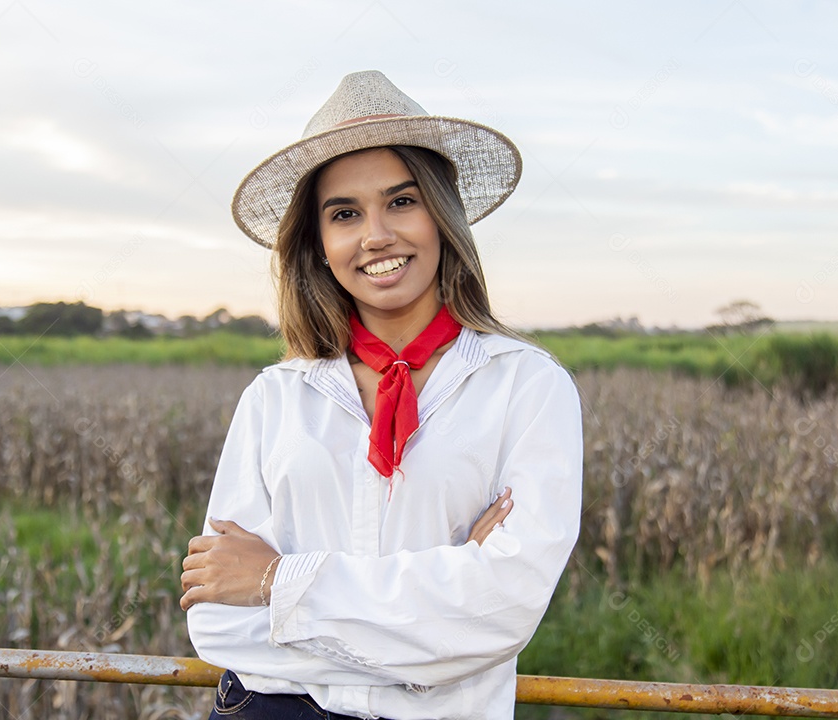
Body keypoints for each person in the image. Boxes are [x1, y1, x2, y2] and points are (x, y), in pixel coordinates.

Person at [179, 70, 582, 720]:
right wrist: (433, 639)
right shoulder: (275, 398)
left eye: (401, 201)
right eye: (345, 213)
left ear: (441, 214)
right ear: (318, 242)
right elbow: (221, 623)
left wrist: (275, 581)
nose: (376, 235)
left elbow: (501, 609)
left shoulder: (527, 387)